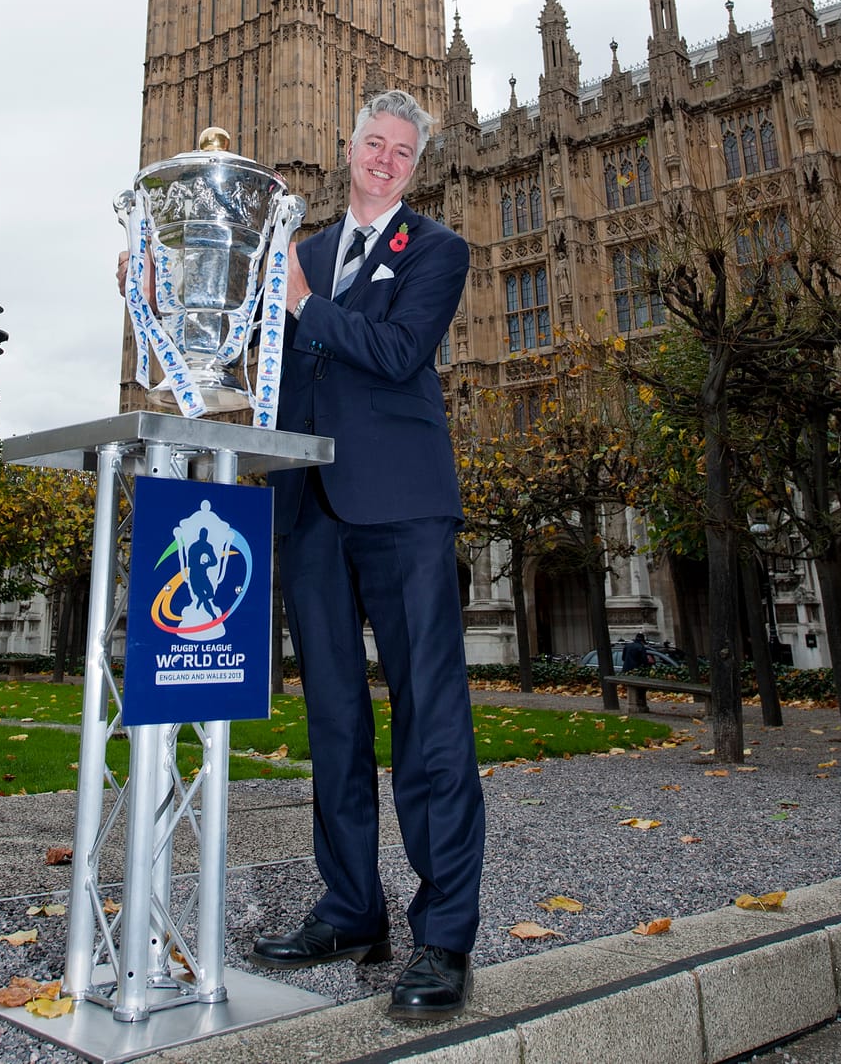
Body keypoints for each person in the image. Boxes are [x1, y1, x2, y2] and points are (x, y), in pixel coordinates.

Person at [250, 89, 485, 1022]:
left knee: (430, 721)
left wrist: (304, 303)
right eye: (373, 144)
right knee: (335, 726)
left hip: (401, 506)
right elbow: (250, 349)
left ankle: (443, 936)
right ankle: (352, 908)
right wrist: (157, 283)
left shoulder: (435, 249)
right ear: (347, 149)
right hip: (307, 507)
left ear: (415, 167)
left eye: (402, 151)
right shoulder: (297, 251)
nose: (385, 160)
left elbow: (394, 352)